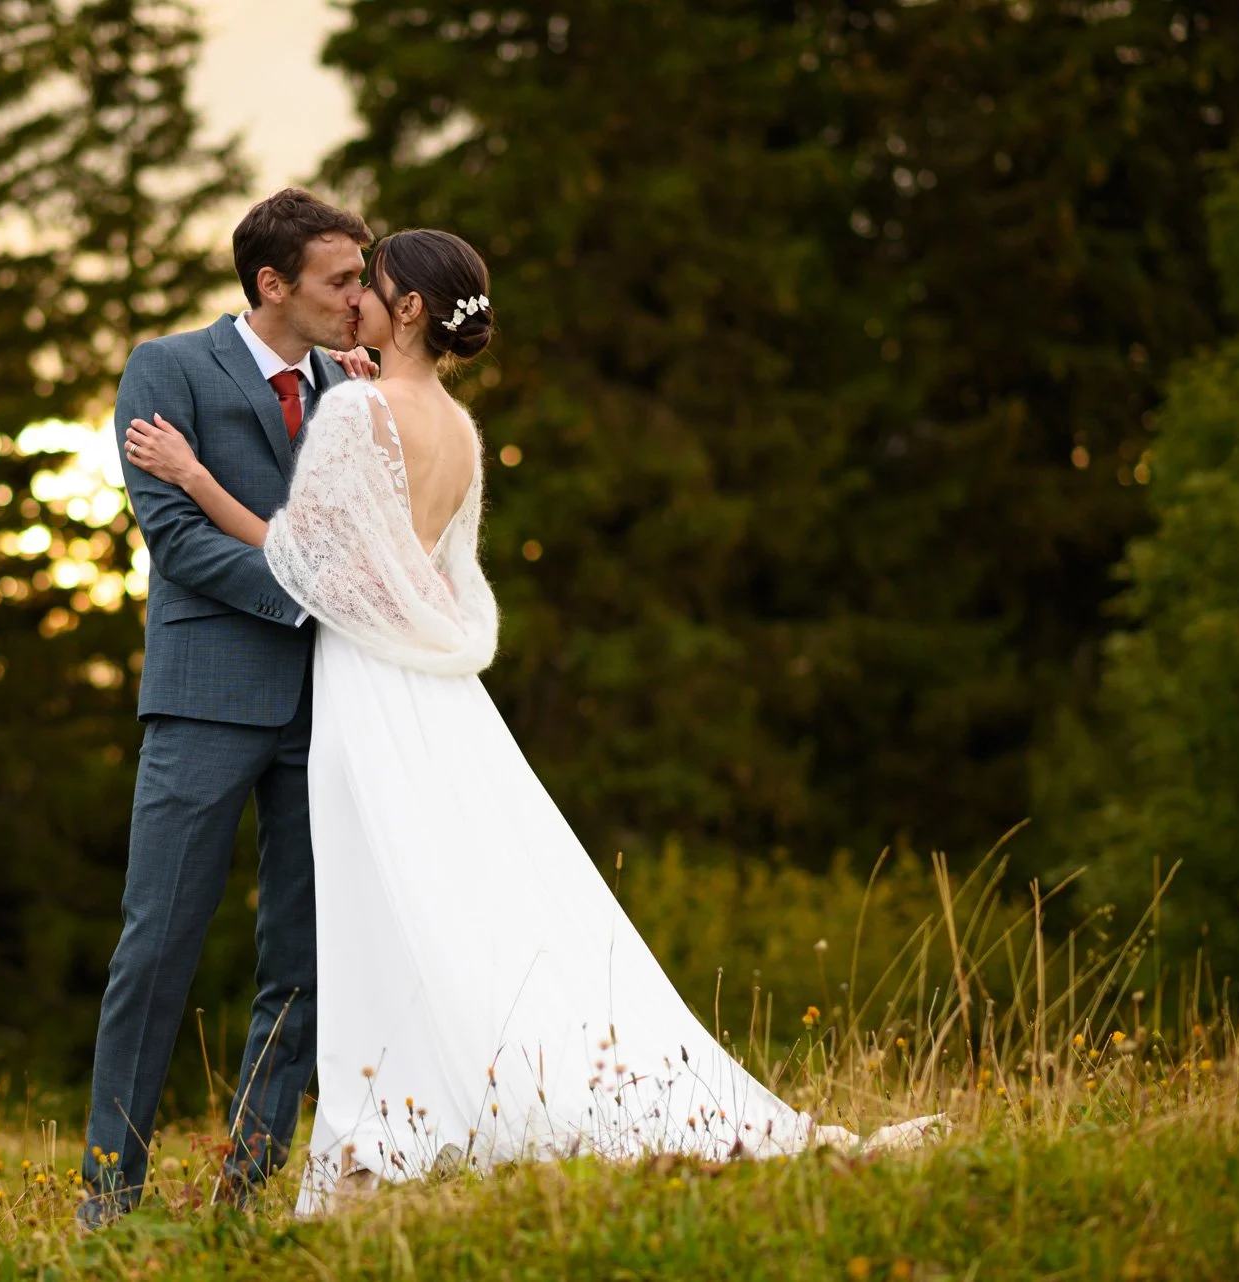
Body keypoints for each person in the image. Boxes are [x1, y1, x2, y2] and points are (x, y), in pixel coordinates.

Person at [122, 227, 941, 1214]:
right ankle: (431, 1111)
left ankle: (395, 1127)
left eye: (369, 289)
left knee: (376, 910)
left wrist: (195, 478)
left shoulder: (360, 412)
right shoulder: (453, 428)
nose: (354, 306)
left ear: (409, 308)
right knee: (457, 897)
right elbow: (434, 576)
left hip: (364, 687)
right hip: (435, 686)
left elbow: (308, 564)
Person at [80, 188, 376, 1223]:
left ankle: (243, 1192)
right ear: (272, 283)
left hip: (332, 707)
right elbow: (176, 535)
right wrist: (313, 595)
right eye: (342, 280)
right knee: (155, 948)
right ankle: (108, 1196)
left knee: (299, 959)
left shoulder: (355, 383)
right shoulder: (167, 368)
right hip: (205, 701)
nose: (360, 296)